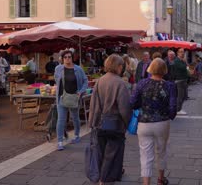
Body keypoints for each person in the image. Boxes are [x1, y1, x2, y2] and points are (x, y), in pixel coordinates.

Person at [130, 58, 177, 185]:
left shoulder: (142, 84)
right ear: (164, 70)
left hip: (144, 123)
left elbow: (132, 103)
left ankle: (146, 183)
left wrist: (142, 105)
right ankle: (161, 179)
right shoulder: (169, 86)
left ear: (150, 69)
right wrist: (170, 116)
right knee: (161, 151)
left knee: (145, 155)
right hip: (162, 122)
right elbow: (173, 106)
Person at [88, 54, 131, 183]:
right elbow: (124, 108)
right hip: (115, 124)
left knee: (101, 152)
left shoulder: (100, 81)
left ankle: (101, 176)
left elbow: (93, 104)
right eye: (121, 66)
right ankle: (104, 179)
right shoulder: (120, 83)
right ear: (118, 66)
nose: (122, 68)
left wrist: (92, 122)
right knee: (112, 154)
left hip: (99, 123)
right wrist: (127, 123)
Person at [54, 50, 88, 151]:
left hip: (74, 98)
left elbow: (85, 81)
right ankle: (60, 141)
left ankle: (77, 135)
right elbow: (57, 80)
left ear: (72, 58)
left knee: (75, 118)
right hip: (62, 97)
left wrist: (80, 91)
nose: (67, 59)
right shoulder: (58, 69)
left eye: (69, 57)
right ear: (62, 58)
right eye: (65, 57)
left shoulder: (78, 69)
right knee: (61, 119)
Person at [165, 50, 189, 115]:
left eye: (183, 52)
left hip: (183, 79)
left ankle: (179, 108)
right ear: (178, 53)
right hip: (179, 80)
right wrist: (185, 63)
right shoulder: (177, 61)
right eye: (181, 52)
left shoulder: (179, 60)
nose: (183, 53)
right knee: (180, 96)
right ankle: (178, 109)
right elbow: (183, 67)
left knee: (184, 96)